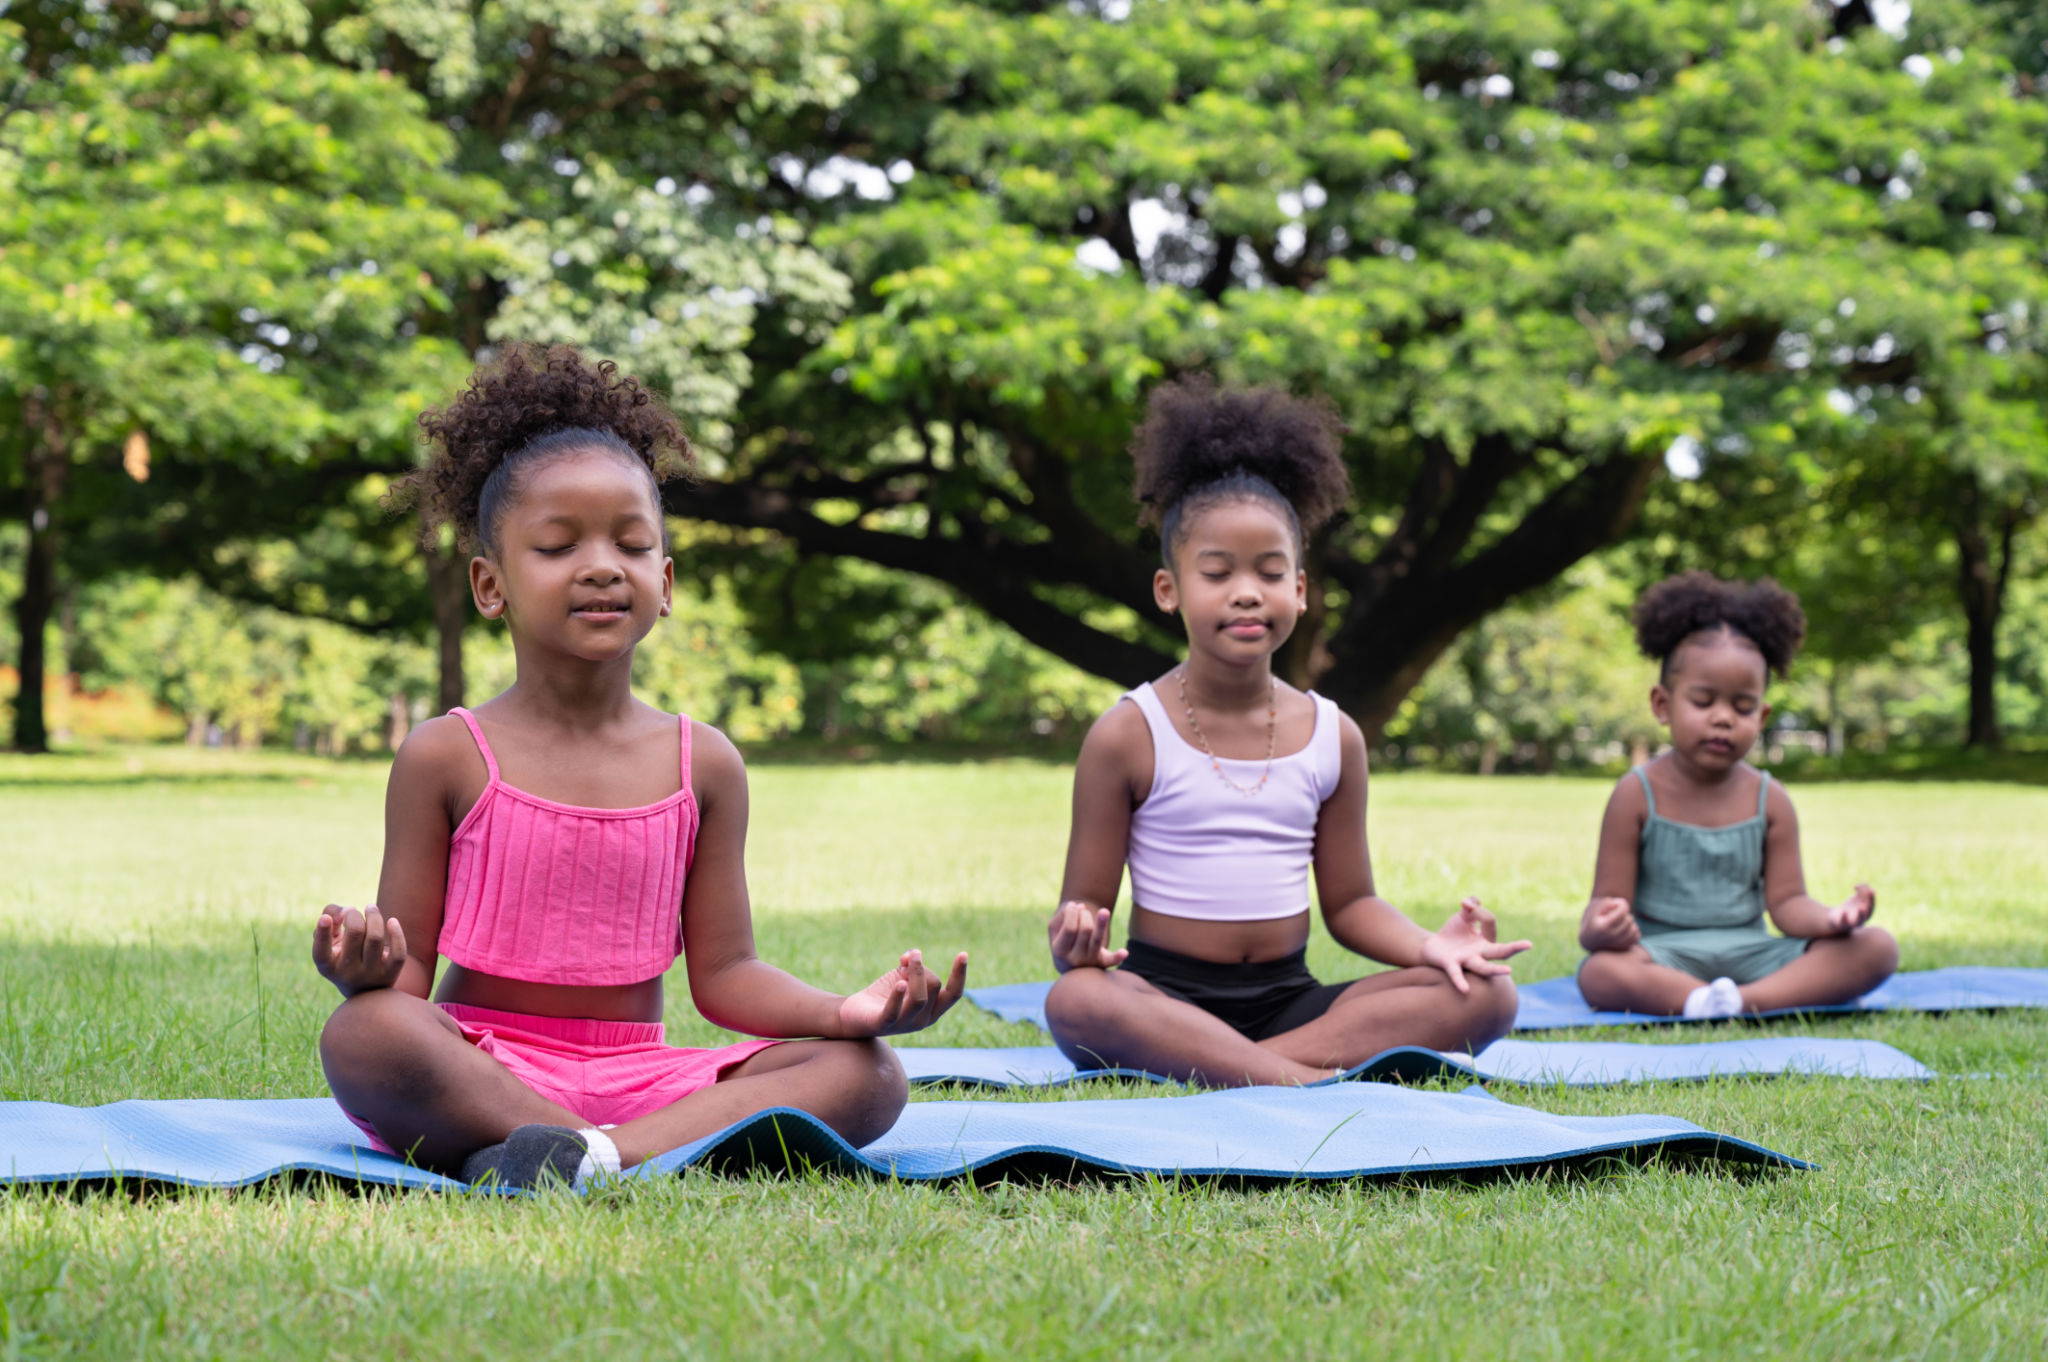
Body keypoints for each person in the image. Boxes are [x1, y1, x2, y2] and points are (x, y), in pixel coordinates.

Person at [313, 345, 967, 1188]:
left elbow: (725, 976)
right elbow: (406, 979)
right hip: (488, 1063)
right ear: (490, 584)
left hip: (646, 1083)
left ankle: (584, 1156)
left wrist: (846, 1012)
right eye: (558, 545)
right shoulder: (445, 754)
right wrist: (363, 975)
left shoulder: (706, 764)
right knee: (366, 1034)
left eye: (631, 543)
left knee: (867, 1073)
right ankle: (592, 1146)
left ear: (666, 580)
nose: (601, 565)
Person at [1042, 377, 1529, 1086]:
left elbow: (1352, 905)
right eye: (1217, 573)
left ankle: (1246, 1069)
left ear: (1299, 590)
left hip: (1291, 1004)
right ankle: (1301, 1080)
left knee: (1487, 993)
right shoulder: (1127, 734)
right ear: (1169, 590)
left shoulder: (1335, 736)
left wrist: (1432, 947)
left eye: (1270, 573)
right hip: (1164, 1001)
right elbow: (1082, 917)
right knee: (1077, 1001)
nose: (1246, 591)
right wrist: (1075, 941)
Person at [1576, 572, 1897, 1018]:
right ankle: (1695, 999)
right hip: (1661, 954)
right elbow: (1605, 904)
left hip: (1752, 955)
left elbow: (1787, 905)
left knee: (1877, 948)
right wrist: (1601, 927)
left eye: (1742, 707)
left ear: (1762, 716)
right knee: (1599, 972)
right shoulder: (1635, 794)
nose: (1723, 718)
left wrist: (1831, 919)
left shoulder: (1770, 799)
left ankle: (1741, 1002)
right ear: (1662, 705)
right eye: (1703, 702)